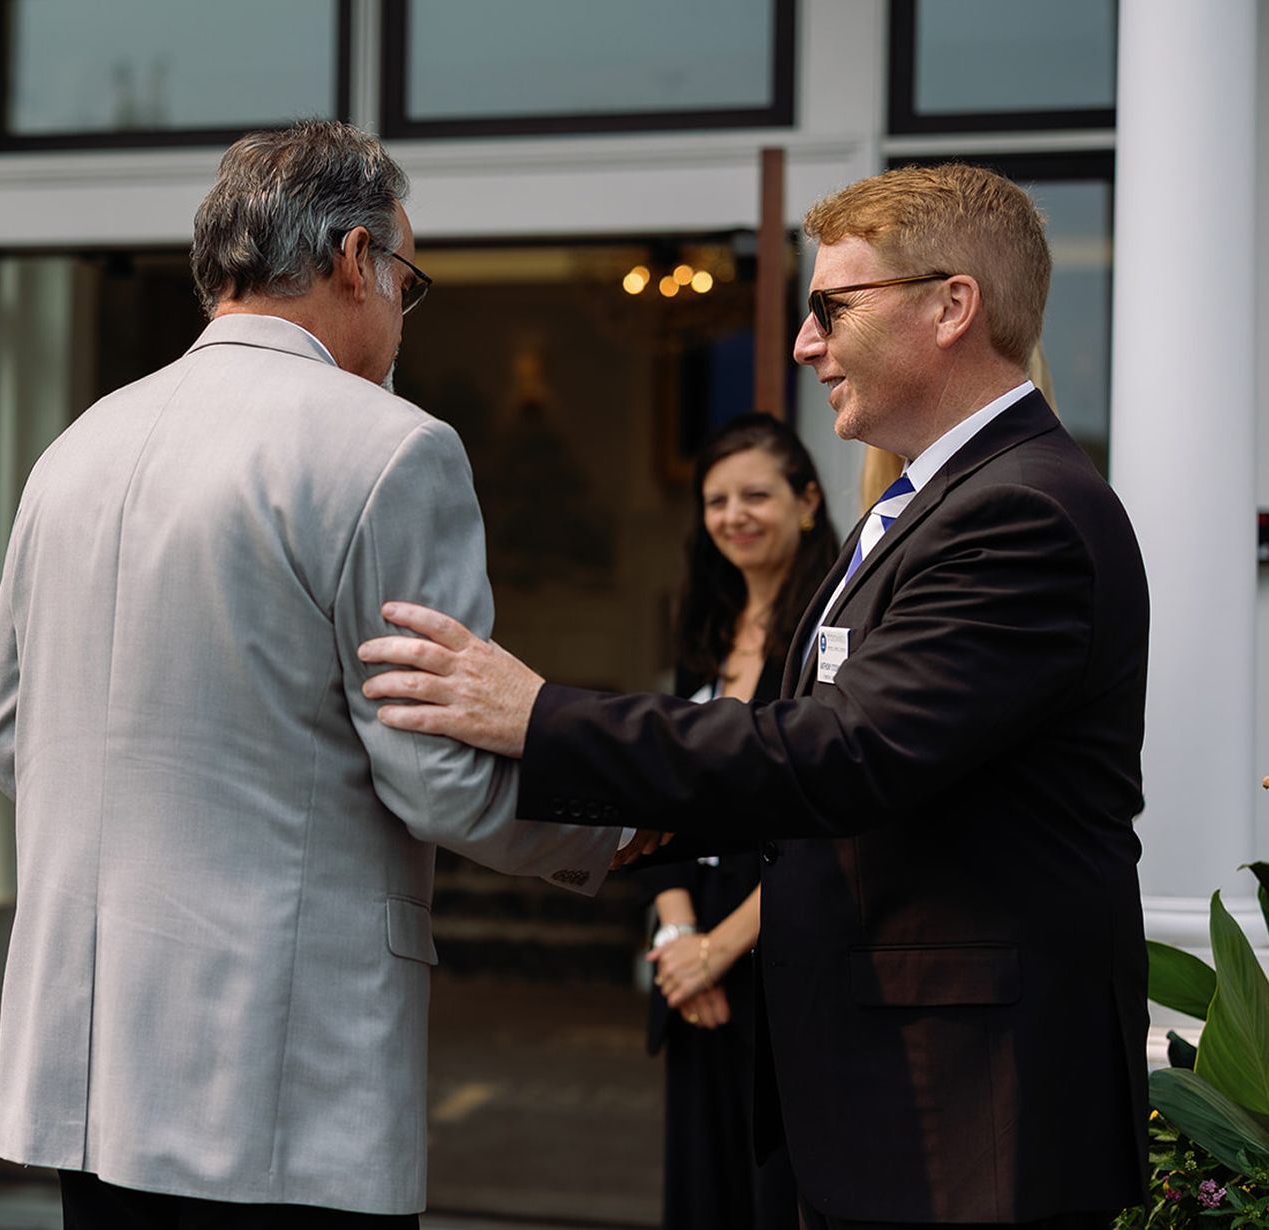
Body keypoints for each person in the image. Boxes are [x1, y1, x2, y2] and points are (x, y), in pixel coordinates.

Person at [357, 163, 1149, 1228]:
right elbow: (811, 750)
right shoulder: (933, 502)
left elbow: (845, 754)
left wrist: (539, 717)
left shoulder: (1023, 516)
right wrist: (625, 835)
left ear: (952, 305)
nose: (802, 344)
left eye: (832, 306)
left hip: (966, 1106)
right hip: (881, 1091)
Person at [0, 119, 621, 1229]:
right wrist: (621, 818)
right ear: (353, 257)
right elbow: (440, 781)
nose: (401, 315)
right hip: (279, 1074)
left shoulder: (75, 445)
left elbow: (9, 739)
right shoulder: (388, 448)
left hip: (85, 1067)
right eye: (406, 280)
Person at [647, 414, 832, 1230]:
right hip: (692, 975)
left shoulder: (832, 636)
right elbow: (659, 797)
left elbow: (825, 821)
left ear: (808, 501)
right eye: (716, 499)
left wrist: (719, 951)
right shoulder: (703, 632)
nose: (734, 515)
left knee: (775, 1202)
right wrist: (678, 943)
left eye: (757, 494)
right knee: (700, 1197)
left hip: (782, 967)